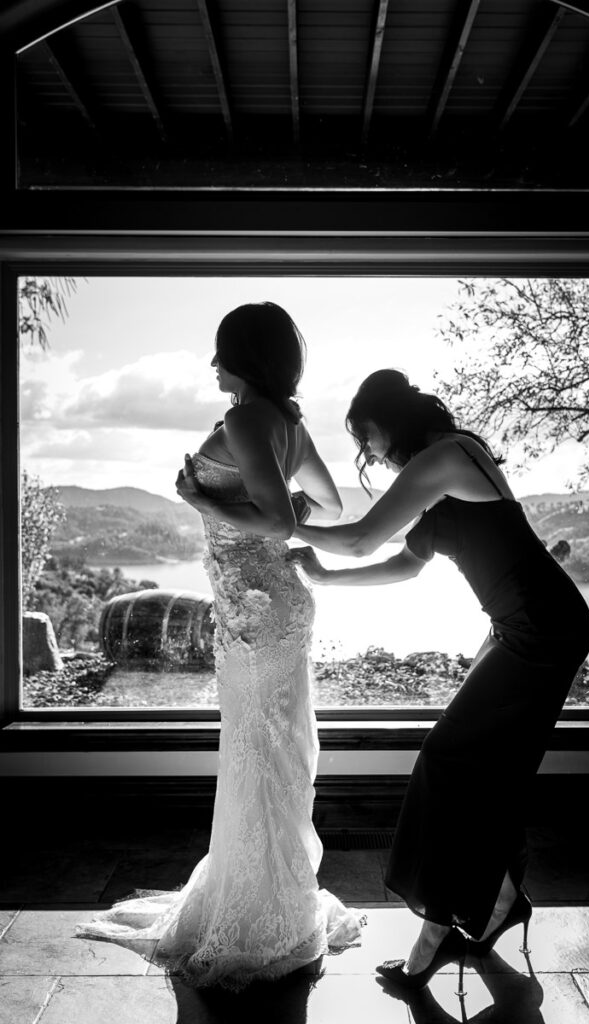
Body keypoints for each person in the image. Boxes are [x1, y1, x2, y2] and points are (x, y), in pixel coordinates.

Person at [76, 302, 365, 989]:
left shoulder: (243, 419)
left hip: (254, 616)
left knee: (257, 755)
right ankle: (275, 906)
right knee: (270, 757)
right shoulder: (286, 424)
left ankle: (259, 915)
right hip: (275, 607)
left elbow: (269, 515)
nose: (211, 365)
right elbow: (329, 507)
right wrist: (273, 514)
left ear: (244, 358)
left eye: (219, 353)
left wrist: (200, 502)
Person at [289, 368, 589, 991]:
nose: (366, 451)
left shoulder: (447, 457)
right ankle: (501, 900)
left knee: (447, 761)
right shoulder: (440, 475)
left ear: (390, 421)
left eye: (364, 436)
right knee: (482, 769)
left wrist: (278, 523)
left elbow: (363, 535)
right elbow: (404, 563)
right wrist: (326, 578)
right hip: (522, 628)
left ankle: (439, 933)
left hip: (543, 628)